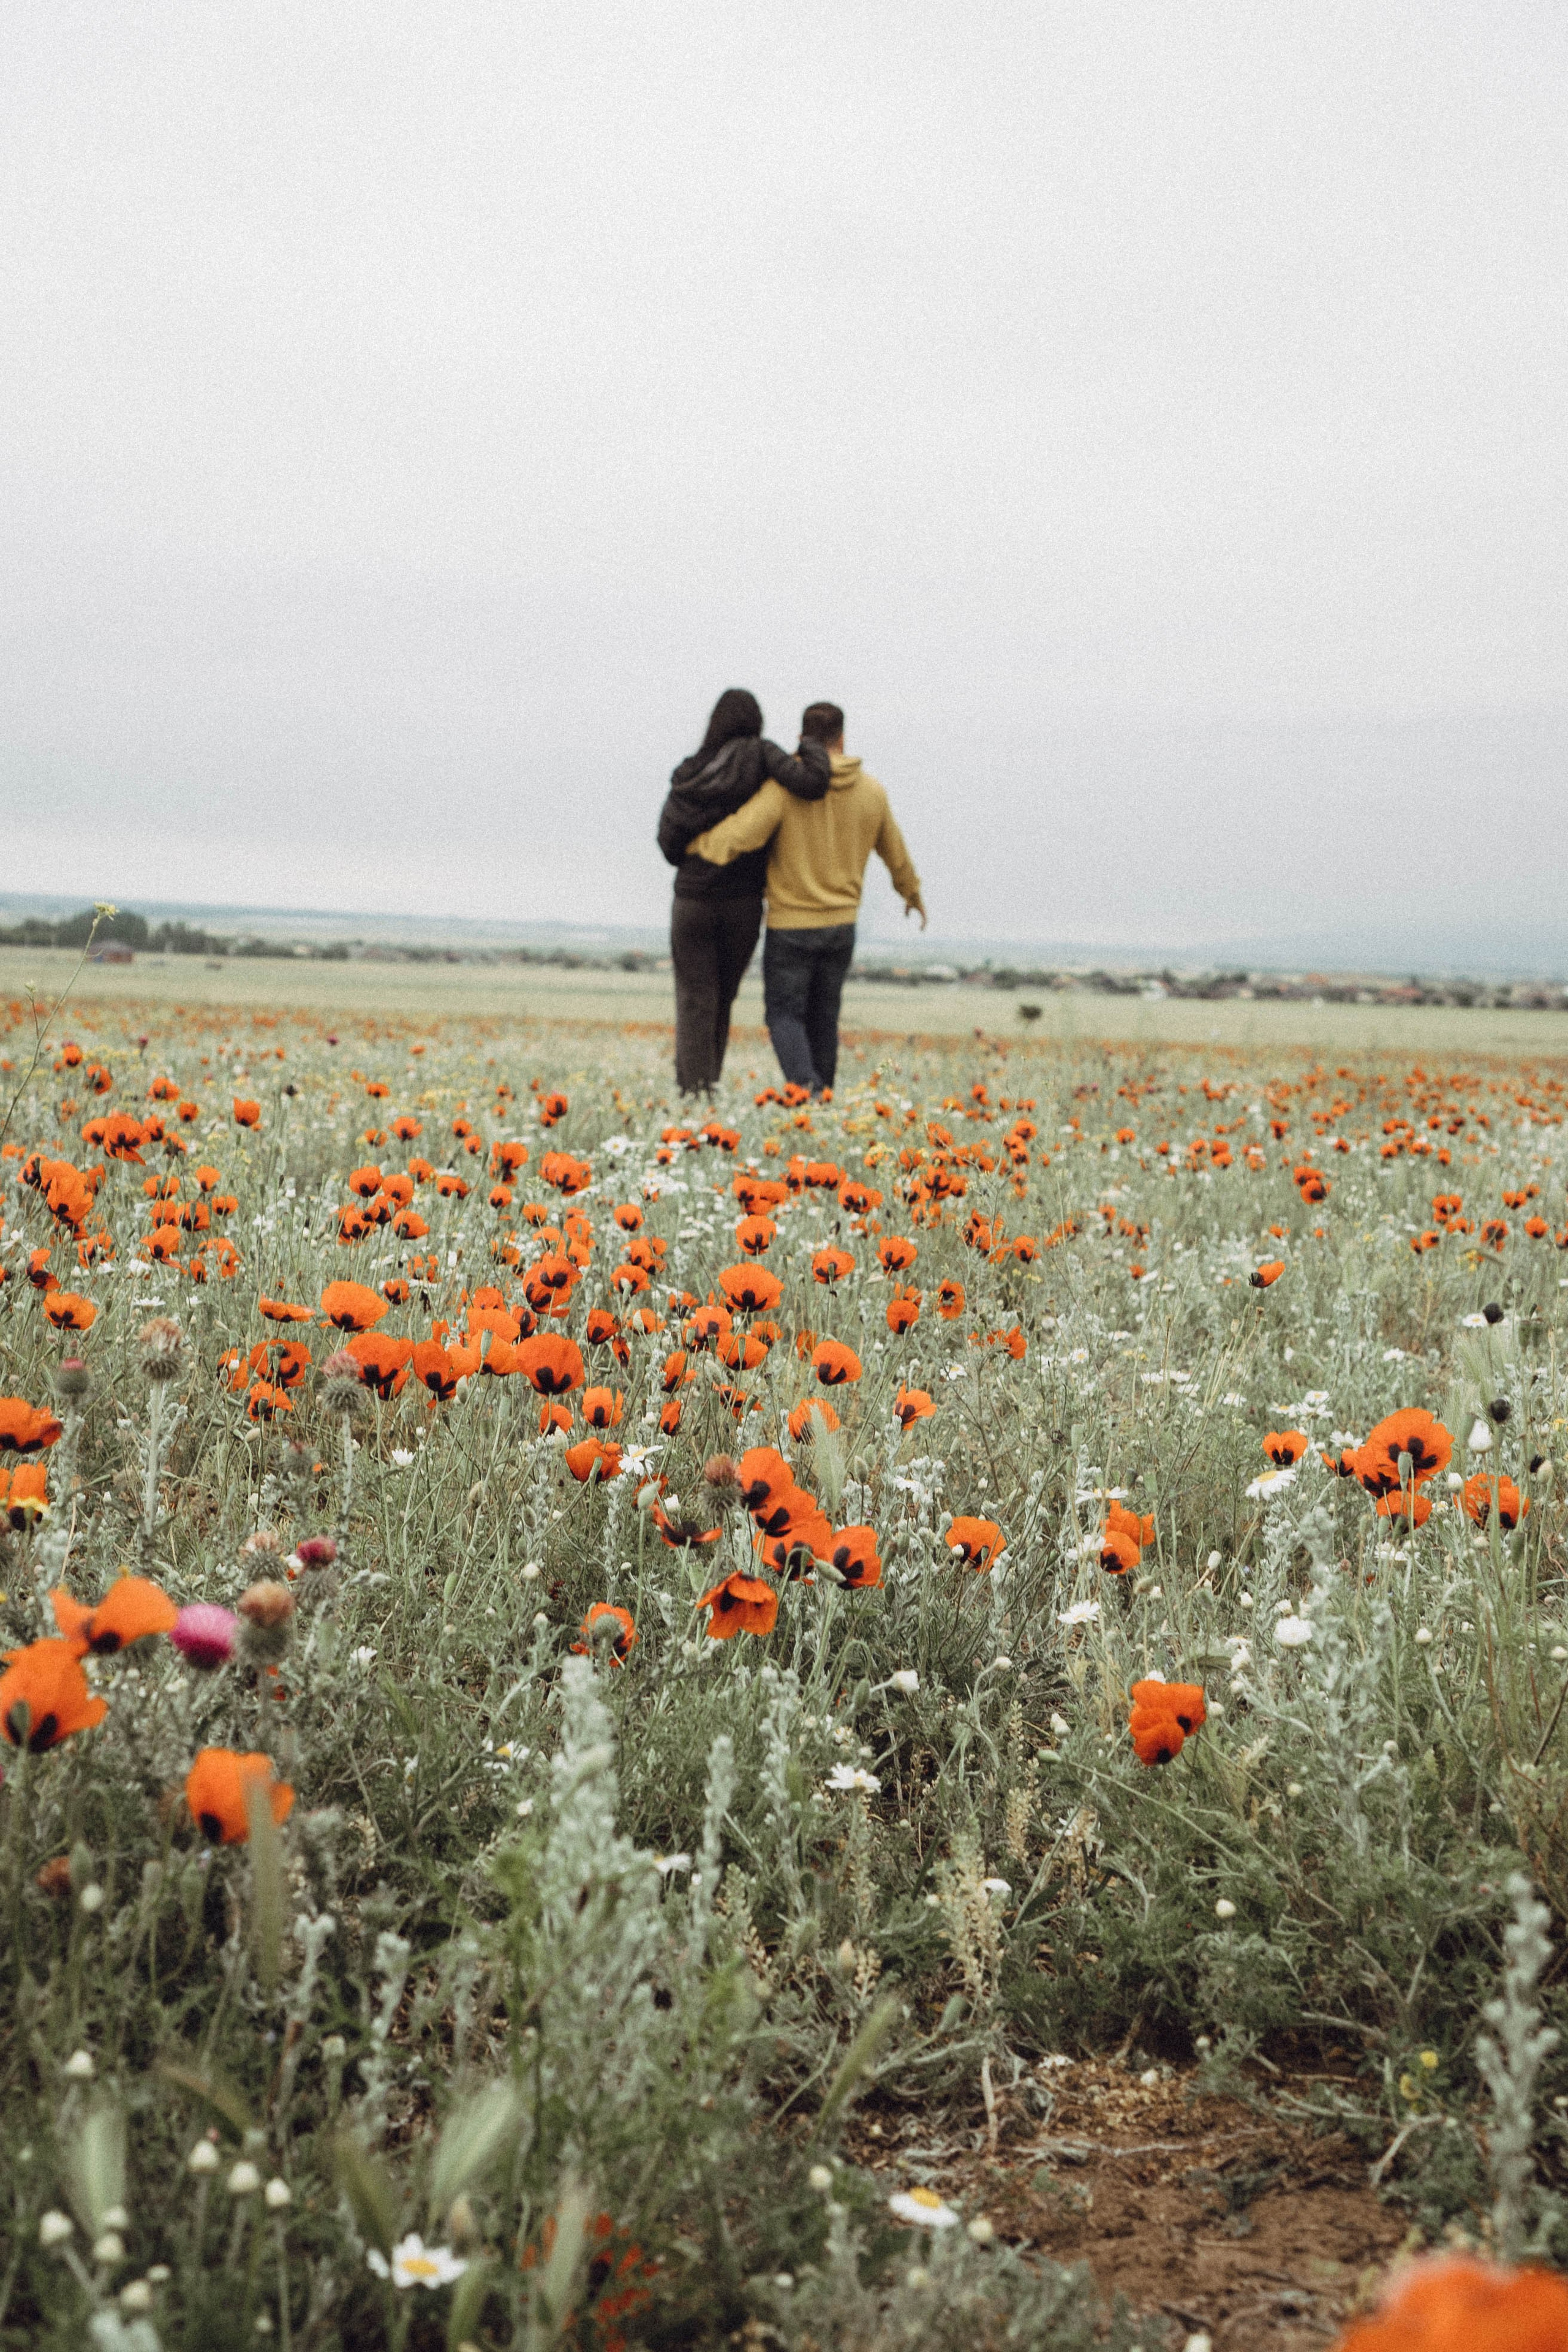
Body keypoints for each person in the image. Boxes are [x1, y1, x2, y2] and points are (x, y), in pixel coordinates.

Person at [688, 701, 924, 1095]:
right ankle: (824, 1101)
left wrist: (694, 846)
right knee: (824, 1019)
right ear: (843, 738)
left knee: (784, 1015)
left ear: (801, 740)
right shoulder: (872, 792)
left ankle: (810, 1093)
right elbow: (894, 852)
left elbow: (740, 835)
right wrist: (912, 893)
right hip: (842, 926)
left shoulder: (785, 789)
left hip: (791, 927)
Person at [657, 690, 831, 1094]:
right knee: (721, 999)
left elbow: (667, 844)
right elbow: (814, 783)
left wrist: (700, 842)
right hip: (742, 903)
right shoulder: (764, 756)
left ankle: (695, 1092)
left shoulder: (691, 771)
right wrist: (810, 744)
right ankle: (705, 1085)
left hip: (693, 900)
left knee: (694, 999)